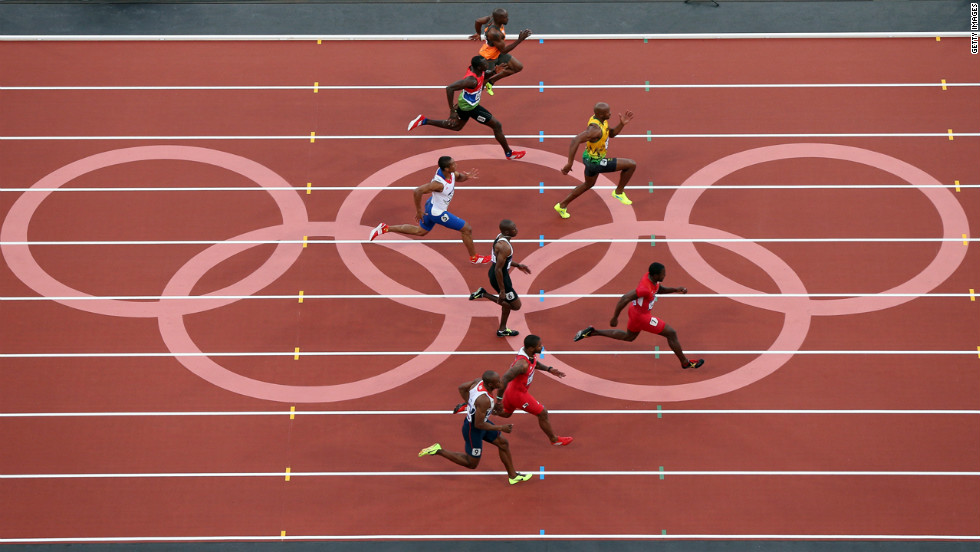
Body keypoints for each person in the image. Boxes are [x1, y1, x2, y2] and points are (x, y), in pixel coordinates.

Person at [573, 262, 704, 370]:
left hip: (635, 312)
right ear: (656, 274)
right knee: (671, 333)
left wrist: (676, 289)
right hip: (642, 317)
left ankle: (593, 332)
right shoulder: (645, 288)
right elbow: (624, 298)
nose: (665, 275)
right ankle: (685, 362)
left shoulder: (651, 278)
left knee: (629, 337)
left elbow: (660, 289)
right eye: (663, 274)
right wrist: (615, 317)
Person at [368, 156, 490, 264]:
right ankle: (474, 257)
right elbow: (417, 191)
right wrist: (419, 211)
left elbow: (458, 177)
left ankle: (385, 228)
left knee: (420, 232)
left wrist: (467, 177)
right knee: (467, 229)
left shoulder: (450, 173)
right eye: (453, 164)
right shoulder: (439, 184)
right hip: (437, 213)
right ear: (446, 168)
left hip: (431, 205)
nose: (456, 165)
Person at [419, 370, 533, 485]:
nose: (500, 383)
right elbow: (478, 425)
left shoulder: (479, 381)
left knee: (503, 443)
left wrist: (469, 404)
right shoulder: (484, 400)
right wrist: (501, 427)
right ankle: (438, 450)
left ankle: (513, 476)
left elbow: (462, 387)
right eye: (497, 382)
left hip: (481, 422)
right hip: (473, 430)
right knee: (472, 464)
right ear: (490, 385)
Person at [407, 56, 526, 160]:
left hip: (465, 102)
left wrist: (494, 71)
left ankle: (424, 120)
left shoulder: (479, 70)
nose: (487, 65)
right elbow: (449, 88)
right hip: (470, 107)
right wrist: (452, 111)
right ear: (479, 67)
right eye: (485, 64)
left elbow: (486, 73)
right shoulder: (471, 80)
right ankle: (509, 153)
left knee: (457, 127)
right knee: (497, 125)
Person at [554, 102, 637, 219]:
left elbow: (611, 134)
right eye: (608, 112)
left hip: (588, 158)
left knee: (588, 184)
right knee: (631, 165)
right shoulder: (595, 130)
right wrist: (569, 163)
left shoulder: (600, 121)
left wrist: (621, 124)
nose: (611, 113)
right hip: (595, 162)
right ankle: (618, 192)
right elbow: (575, 140)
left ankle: (562, 205)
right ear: (602, 115)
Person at [494, 335, 573, 446]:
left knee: (506, 414)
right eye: (539, 346)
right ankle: (554, 439)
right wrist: (498, 400)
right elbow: (504, 379)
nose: (542, 347)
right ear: (531, 348)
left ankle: (482, 409)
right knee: (542, 413)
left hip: (512, 390)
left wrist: (549, 369)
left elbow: (534, 363)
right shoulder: (522, 364)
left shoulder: (529, 353)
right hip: (518, 394)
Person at [468, 219, 531, 337]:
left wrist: (517, 265)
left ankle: (502, 329)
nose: (516, 230)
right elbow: (498, 269)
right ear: (507, 231)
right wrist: (502, 290)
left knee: (507, 303)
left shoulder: (500, 237)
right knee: (515, 306)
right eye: (514, 229)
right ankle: (483, 294)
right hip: (500, 277)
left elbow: (501, 261)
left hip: (497, 273)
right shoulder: (505, 247)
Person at [468, 8, 532, 95]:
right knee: (481, 85)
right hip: (488, 58)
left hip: (497, 52)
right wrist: (520, 40)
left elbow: (478, 21)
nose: (507, 19)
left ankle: (491, 82)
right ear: (498, 18)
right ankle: (469, 100)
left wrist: (478, 33)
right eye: (505, 17)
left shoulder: (491, 18)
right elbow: (504, 50)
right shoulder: (494, 33)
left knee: (518, 67)